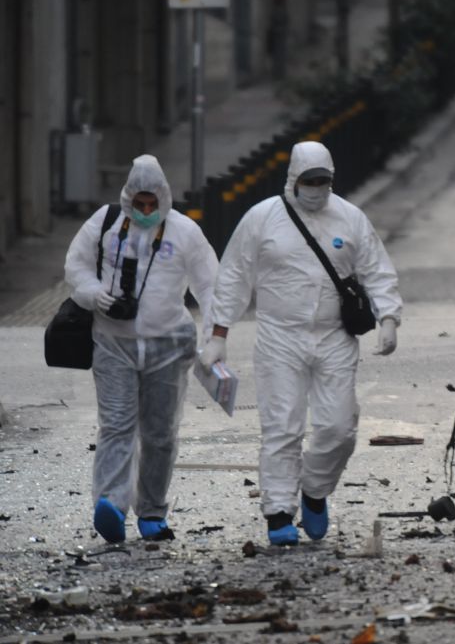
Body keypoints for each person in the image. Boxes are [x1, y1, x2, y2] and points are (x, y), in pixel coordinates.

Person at [199, 140, 402, 546]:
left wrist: (389, 317)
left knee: (340, 428)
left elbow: (376, 269)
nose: (316, 188)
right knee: (282, 427)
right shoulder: (262, 219)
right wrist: (218, 335)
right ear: (293, 178)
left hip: (335, 337)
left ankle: (314, 488)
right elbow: (234, 277)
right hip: (280, 336)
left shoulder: (350, 218)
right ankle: (277, 512)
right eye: (309, 180)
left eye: (323, 181)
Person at [64, 154, 218, 543]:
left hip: (169, 345)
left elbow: (210, 285)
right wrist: (93, 293)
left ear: (164, 199)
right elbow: (75, 266)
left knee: (160, 433)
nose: (147, 212)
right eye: (140, 204)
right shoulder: (104, 223)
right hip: (113, 343)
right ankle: (111, 505)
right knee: (116, 425)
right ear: (129, 198)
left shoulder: (185, 233)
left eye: (153, 205)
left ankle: (151, 511)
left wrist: (216, 336)